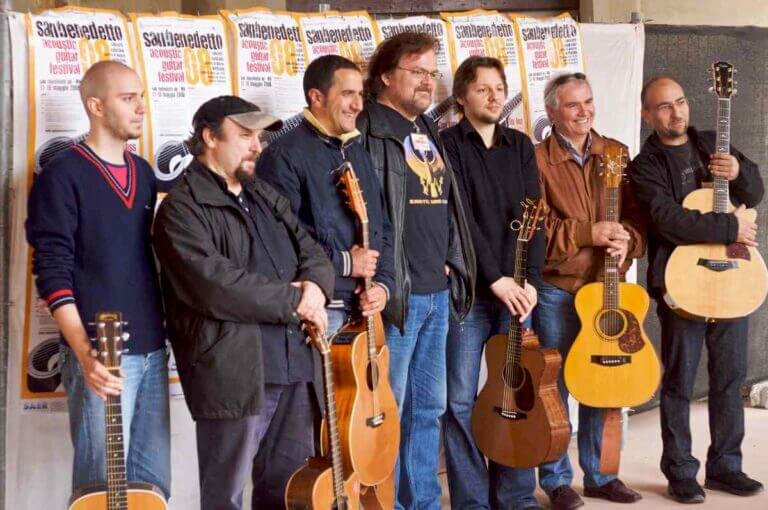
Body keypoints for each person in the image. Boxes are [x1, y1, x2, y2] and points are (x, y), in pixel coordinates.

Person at [152, 95, 335, 510]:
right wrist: (297, 300)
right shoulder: (182, 209)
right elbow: (216, 286)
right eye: (245, 135)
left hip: (294, 365)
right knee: (226, 498)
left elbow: (314, 253)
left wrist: (316, 290)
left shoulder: (264, 194)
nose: (257, 146)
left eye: (259, 137)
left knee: (288, 492)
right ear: (209, 137)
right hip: (233, 373)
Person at [26, 60, 170, 499]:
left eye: (141, 97)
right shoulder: (63, 174)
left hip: (152, 348)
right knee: (100, 492)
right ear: (95, 106)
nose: (141, 108)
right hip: (103, 353)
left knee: (153, 489)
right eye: (128, 98)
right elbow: (52, 271)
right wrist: (85, 354)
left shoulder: (145, 172)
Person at [509, 72, 646, 509]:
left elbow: (638, 221)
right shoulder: (535, 160)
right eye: (573, 105)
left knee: (606, 380)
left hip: (608, 289)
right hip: (558, 289)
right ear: (552, 112)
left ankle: (603, 475)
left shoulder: (616, 154)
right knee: (555, 387)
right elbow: (538, 231)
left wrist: (628, 238)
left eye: (588, 101)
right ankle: (556, 480)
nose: (584, 111)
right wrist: (592, 231)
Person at [630, 76, 764, 504]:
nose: (677, 112)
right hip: (681, 282)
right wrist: (733, 226)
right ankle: (681, 470)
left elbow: (756, 191)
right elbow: (668, 219)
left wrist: (740, 172)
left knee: (729, 377)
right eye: (664, 107)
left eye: (681, 102)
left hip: (733, 278)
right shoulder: (644, 165)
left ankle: (726, 466)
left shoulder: (711, 145)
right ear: (647, 115)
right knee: (679, 382)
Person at [356, 31, 476, 509]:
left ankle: (422, 502)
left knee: (430, 410)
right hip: (397, 296)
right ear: (386, 76)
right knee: (392, 409)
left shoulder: (426, 127)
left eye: (432, 73)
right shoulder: (368, 129)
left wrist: (451, 259)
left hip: (435, 292)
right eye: (417, 72)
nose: (428, 82)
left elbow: (444, 204)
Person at [440, 56, 544, 510]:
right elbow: (460, 220)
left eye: (499, 87)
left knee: (515, 394)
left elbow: (536, 215)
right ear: (462, 97)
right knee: (459, 401)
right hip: (470, 294)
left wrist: (532, 281)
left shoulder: (520, 145)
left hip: (518, 293)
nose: (494, 95)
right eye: (482, 88)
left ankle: (516, 497)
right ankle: (471, 501)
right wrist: (495, 278)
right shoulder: (445, 145)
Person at [257, 54, 395, 335]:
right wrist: (346, 263)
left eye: (360, 94)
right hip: (319, 310)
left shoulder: (358, 149)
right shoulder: (283, 155)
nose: (358, 104)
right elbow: (279, 242)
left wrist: (384, 285)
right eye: (347, 94)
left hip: (365, 311)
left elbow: (384, 226)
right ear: (316, 97)